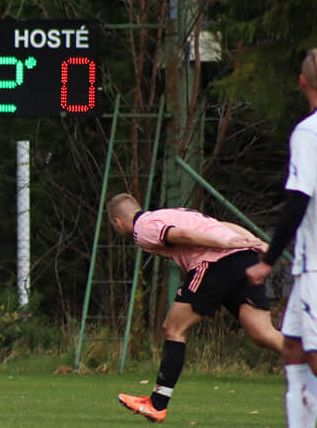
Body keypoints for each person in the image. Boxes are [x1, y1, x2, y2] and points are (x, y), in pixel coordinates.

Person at [108, 193, 283, 423]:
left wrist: (222, 244)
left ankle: (157, 404)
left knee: (173, 328)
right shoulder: (169, 213)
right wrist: (257, 242)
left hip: (214, 262)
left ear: (117, 222)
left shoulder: (142, 229)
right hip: (244, 259)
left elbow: (182, 235)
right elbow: (221, 225)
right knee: (264, 334)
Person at [245, 48, 317, 428]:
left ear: (302, 82)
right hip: (309, 266)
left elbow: (298, 201)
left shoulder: (309, 132)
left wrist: (269, 260)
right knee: (292, 347)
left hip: (315, 266)